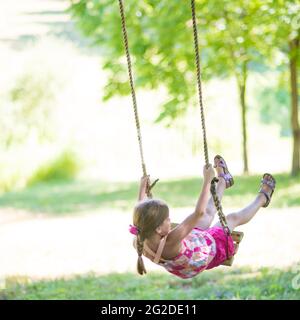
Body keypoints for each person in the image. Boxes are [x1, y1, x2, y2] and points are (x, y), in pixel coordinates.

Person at [129, 155, 276, 279]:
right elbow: (197, 212)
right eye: (167, 219)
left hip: (191, 251)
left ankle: (224, 180)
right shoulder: (171, 240)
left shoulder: (139, 238)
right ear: (159, 229)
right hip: (206, 255)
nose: (170, 220)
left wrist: (142, 189)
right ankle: (263, 197)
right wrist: (207, 180)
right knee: (231, 218)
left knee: (207, 214)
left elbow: (140, 215)